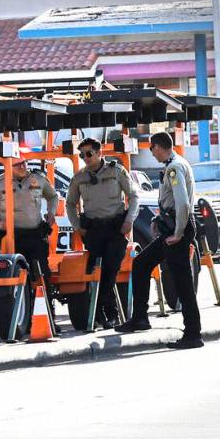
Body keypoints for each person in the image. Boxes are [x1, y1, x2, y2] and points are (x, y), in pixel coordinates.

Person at [115, 131, 203, 349]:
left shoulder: (174, 168)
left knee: (182, 281)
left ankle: (193, 334)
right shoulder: (177, 163)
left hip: (177, 229)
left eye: (151, 148)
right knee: (142, 263)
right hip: (171, 226)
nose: (151, 153)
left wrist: (179, 232)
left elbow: (182, 204)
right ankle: (140, 318)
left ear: (158, 146)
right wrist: (159, 218)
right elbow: (173, 201)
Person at [0, 150, 59, 327]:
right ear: (8, 166)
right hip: (12, 238)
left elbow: (53, 196)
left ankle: (48, 321)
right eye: (17, 164)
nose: (22, 167)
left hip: (35, 235)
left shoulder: (38, 179)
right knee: (16, 278)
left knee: (42, 277)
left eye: (24, 163)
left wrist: (51, 213)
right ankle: (20, 321)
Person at [66, 137, 139, 329]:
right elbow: (70, 203)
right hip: (93, 231)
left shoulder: (116, 171)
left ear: (100, 153)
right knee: (95, 272)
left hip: (116, 228)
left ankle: (110, 312)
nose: (85, 158)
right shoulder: (79, 177)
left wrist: (129, 220)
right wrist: (77, 226)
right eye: (82, 155)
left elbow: (134, 196)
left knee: (110, 268)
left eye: (89, 154)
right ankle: (100, 314)